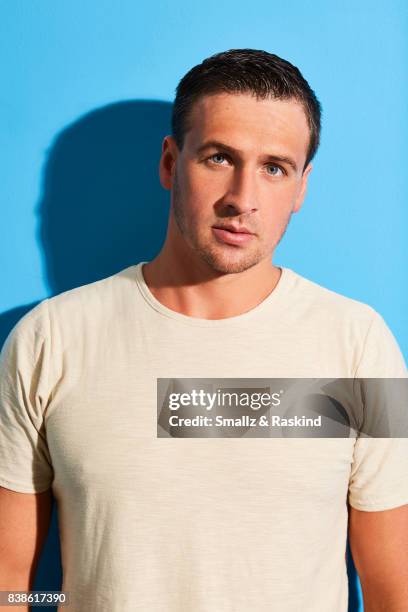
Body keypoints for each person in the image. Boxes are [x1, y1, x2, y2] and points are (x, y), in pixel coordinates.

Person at [0, 48, 407, 612]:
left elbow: (395, 590)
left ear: (302, 186)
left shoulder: (360, 344)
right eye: (219, 158)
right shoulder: (50, 339)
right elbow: (9, 583)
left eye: (274, 168)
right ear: (171, 162)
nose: (243, 199)